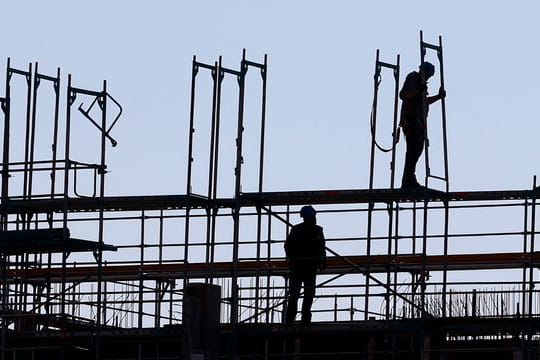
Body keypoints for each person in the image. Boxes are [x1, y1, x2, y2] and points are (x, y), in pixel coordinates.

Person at [400, 61, 446, 188]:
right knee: (413, 149)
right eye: (428, 74)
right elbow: (403, 95)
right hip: (411, 119)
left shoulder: (422, 85)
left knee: (417, 149)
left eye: (430, 76)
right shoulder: (413, 78)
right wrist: (418, 90)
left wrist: (438, 97)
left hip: (419, 122)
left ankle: (409, 178)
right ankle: (408, 180)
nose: (428, 77)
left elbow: (424, 101)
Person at [284, 205, 327, 325]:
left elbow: (321, 248)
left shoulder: (317, 231)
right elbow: (288, 247)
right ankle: (291, 319)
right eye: (311, 217)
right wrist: (294, 259)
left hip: (309, 267)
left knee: (308, 294)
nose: (313, 219)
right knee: (295, 295)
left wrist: (322, 260)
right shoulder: (297, 230)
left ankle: (305, 319)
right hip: (299, 267)